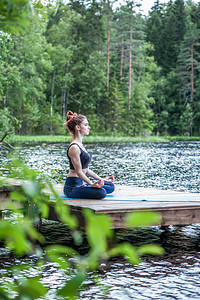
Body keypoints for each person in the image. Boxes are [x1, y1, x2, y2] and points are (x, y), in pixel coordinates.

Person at [63, 110, 115, 199]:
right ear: (78, 127)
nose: (89, 127)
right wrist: (91, 184)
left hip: (81, 183)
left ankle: (87, 187)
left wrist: (101, 179)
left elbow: (86, 170)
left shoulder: (80, 145)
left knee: (110, 186)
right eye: (86, 125)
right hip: (72, 187)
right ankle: (86, 187)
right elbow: (79, 172)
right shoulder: (74, 147)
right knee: (101, 192)